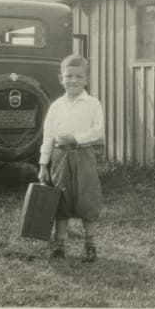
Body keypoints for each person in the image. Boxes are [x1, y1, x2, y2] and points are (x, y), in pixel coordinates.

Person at [38, 54, 105, 261]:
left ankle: (90, 244)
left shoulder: (93, 104)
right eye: (69, 76)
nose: (73, 81)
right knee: (61, 199)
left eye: (78, 76)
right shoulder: (56, 106)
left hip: (84, 155)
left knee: (87, 199)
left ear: (86, 79)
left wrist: (75, 138)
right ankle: (59, 245)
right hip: (59, 157)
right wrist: (43, 164)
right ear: (61, 78)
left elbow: (98, 131)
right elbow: (48, 136)